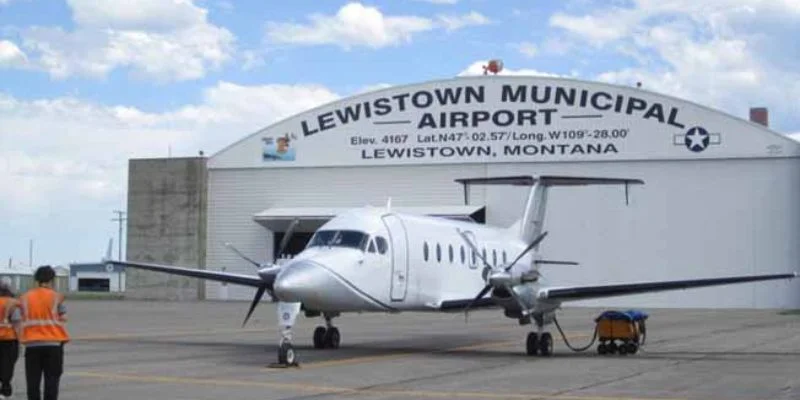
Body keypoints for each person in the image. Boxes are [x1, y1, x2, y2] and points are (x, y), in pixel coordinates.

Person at [19, 266, 69, 400]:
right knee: (52, 381)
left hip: (32, 345)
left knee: (33, 383)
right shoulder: (57, 297)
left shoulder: (25, 297)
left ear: (37, 280)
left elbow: (19, 317)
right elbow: (63, 317)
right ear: (52, 280)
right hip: (53, 344)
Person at [0, 279, 20, 399]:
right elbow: (16, 322)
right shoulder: (12, 303)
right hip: (9, 338)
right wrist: (20, 339)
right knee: (8, 364)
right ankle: (5, 389)